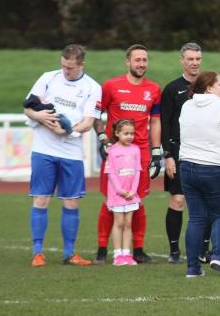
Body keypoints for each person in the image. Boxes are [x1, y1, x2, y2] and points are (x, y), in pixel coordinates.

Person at [25, 44, 101, 267]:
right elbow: (28, 108)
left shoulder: (92, 87)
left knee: (71, 203)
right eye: (63, 66)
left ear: (81, 65)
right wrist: (42, 118)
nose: (65, 71)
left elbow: (88, 122)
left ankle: (70, 253)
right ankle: (37, 252)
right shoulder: (48, 78)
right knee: (41, 199)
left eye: (70, 68)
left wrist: (67, 130)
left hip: (71, 152)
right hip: (43, 150)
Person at [93, 44, 161, 264]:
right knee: (110, 201)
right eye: (137, 60)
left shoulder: (154, 89)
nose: (141, 64)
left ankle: (137, 250)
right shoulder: (111, 86)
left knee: (137, 201)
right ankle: (102, 249)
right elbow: (96, 113)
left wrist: (156, 149)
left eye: (144, 60)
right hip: (115, 154)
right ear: (128, 62)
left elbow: (156, 120)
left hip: (140, 153)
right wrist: (102, 136)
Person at [179, 71, 220, 277]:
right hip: (216, 166)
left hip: (188, 165)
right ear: (209, 88)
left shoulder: (187, 105)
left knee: (196, 218)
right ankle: (217, 255)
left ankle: (193, 268)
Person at [161, 42, 211, 264]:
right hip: (180, 152)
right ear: (182, 60)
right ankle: (174, 251)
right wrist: (168, 155)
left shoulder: (210, 87)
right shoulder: (172, 89)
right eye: (190, 59)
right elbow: (165, 123)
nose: (194, 63)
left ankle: (203, 249)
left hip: (206, 152)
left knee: (205, 202)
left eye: (198, 59)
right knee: (178, 200)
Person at [105, 119, 142, 266]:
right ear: (117, 133)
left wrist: (133, 191)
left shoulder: (135, 149)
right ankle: (117, 254)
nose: (129, 136)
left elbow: (138, 171)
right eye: (126, 133)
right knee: (119, 222)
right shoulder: (112, 151)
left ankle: (127, 254)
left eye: (132, 133)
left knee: (128, 223)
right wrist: (121, 191)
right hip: (117, 195)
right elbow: (110, 173)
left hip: (131, 195)